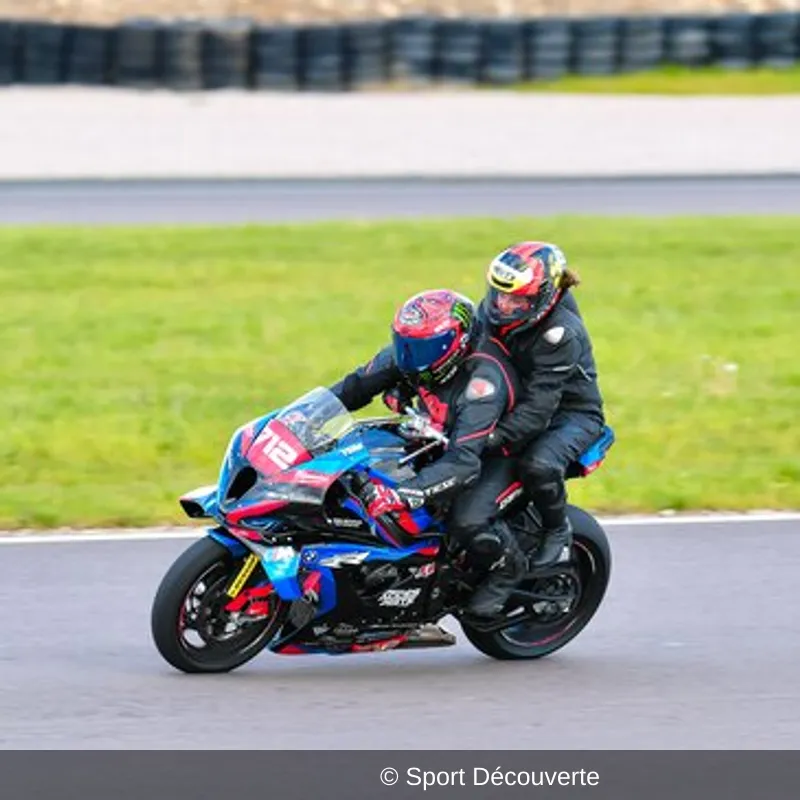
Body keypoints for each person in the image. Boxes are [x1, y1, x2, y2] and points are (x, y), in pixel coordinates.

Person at [329, 288, 529, 629]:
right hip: (442, 437)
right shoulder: (413, 356)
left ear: (455, 345)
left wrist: (405, 494)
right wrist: (295, 419)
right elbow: (355, 386)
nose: (409, 357)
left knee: (466, 521)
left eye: (421, 348)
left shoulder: (483, 383)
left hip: (498, 453)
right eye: (404, 344)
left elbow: (464, 463)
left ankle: (509, 567)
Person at [478, 241, 606, 568]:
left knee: (539, 464)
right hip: (520, 397)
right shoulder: (494, 309)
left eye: (516, 299)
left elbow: (538, 410)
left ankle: (556, 528)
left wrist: (491, 437)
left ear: (543, 296)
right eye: (500, 294)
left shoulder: (561, 335)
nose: (504, 305)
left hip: (571, 414)